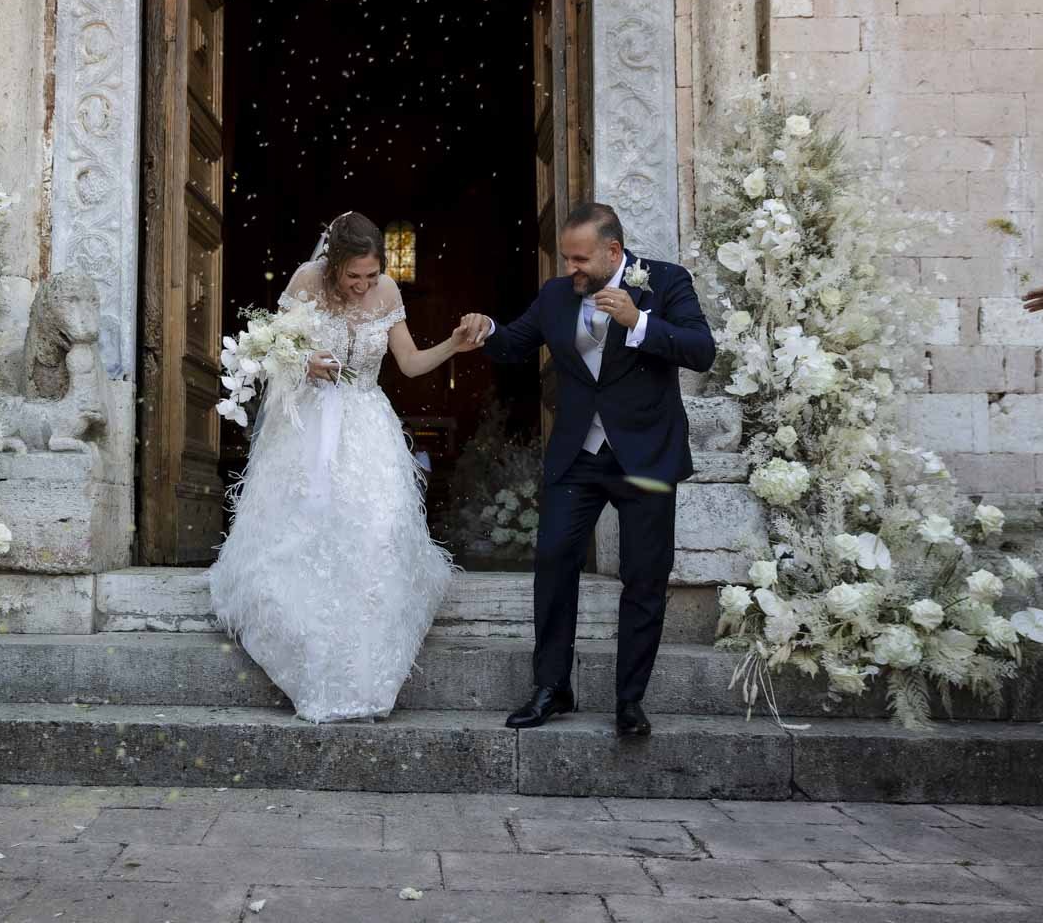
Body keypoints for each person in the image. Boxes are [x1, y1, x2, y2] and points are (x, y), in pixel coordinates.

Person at [209, 211, 481, 723]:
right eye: (352, 277)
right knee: (305, 532)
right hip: (309, 425)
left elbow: (409, 363)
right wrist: (301, 362)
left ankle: (364, 666)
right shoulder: (305, 282)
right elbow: (271, 349)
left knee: (375, 531)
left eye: (370, 277)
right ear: (332, 265)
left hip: (366, 423)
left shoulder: (389, 295)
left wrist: (452, 345)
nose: (361, 287)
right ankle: (308, 653)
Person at [459, 202, 716, 736]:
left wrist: (639, 322)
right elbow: (513, 345)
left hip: (645, 459)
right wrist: (487, 329)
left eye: (579, 259)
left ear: (613, 252)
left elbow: (701, 350)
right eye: (567, 257)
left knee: (643, 576)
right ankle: (552, 688)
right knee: (553, 562)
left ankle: (629, 701)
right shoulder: (557, 294)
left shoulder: (666, 282)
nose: (570, 268)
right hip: (579, 455)